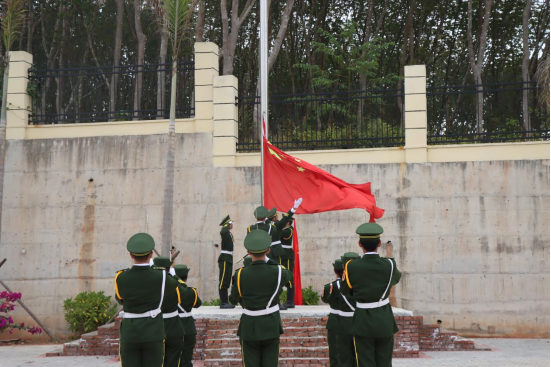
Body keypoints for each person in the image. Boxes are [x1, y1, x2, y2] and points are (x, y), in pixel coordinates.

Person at [341, 223, 402, 367]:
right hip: (384, 320)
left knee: (365, 362)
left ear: (359, 244)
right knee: (385, 362)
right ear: (379, 243)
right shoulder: (390, 265)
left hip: (363, 321)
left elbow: (346, 291)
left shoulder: (351, 266)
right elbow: (396, 279)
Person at [229, 230, 292, 367]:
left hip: (249, 326)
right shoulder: (278, 271)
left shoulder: (240, 274)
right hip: (271, 325)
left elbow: (232, 300)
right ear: (268, 251)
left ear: (248, 251)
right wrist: (268, 259)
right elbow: (288, 275)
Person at [115, 233, 173, 367]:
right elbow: (174, 289)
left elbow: (120, 299)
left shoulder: (120, 277)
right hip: (153, 331)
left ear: (131, 255)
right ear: (151, 254)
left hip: (130, 332)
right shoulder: (162, 275)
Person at [152, 257, 185, 367]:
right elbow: (184, 291)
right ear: (168, 268)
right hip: (172, 325)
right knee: (173, 361)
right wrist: (175, 276)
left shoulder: (149, 282)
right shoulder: (173, 283)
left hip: (153, 326)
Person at [174, 264, 203, 367]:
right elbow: (198, 304)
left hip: (173, 326)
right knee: (186, 359)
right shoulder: (191, 292)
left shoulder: (168, 290)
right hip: (188, 327)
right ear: (186, 276)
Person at [336, 252, 361, 367]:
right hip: (361, 320)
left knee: (345, 355)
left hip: (344, 322)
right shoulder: (363, 282)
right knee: (359, 355)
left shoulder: (336, 285)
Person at [321, 259, 345, 367]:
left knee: (334, 352)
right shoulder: (352, 285)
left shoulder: (329, 287)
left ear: (335, 270)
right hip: (350, 319)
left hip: (335, 320)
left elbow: (325, 299)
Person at [219, 215, 236, 309]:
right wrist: (226, 225)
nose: (232, 224)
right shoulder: (225, 232)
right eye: (231, 223)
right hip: (225, 258)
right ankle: (223, 302)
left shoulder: (229, 234)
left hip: (229, 257)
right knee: (223, 280)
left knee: (227, 279)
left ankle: (225, 301)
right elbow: (222, 231)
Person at [280, 217, 296, 308]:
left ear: (288, 222)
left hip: (288, 256)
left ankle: (290, 301)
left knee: (289, 278)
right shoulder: (283, 229)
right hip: (282, 255)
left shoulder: (289, 230)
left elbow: (282, 234)